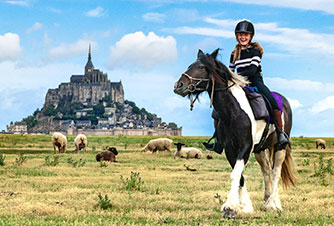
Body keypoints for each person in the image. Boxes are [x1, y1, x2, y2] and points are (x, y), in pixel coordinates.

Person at [203, 19, 289, 153]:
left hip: (255, 81)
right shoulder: (234, 54)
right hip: (238, 84)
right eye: (240, 34)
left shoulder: (256, 51)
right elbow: (230, 71)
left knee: (272, 101)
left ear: (251, 36)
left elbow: (252, 70)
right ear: (236, 36)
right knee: (217, 109)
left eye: (246, 35)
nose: (243, 37)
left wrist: (235, 77)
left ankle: (280, 133)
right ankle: (218, 139)